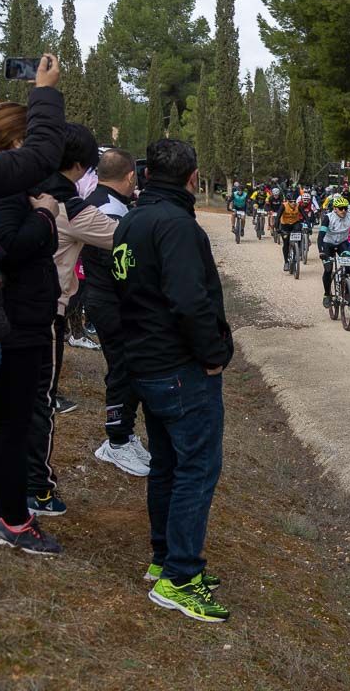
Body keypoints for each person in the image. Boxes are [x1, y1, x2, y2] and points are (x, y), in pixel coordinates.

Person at [112, 139, 232, 623]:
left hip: (145, 363)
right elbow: (189, 300)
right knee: (196, 470)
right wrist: (214, 354)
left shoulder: (132, 219)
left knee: (166, 466)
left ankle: (164, 558)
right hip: (180, 367)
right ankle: (180, 577)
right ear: (193, 178)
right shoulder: (178, 226)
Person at [0, 54, 64, 570]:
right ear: (14, 146)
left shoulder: (3, 184)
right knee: (8, 426)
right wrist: (47, 219)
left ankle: (3, 511)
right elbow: (9, 243)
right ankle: (10, 518)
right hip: (12, 324)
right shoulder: (4, 190)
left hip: (8, 319)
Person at [28, 123, 106, 516]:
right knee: (42, 400)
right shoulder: (69, 206)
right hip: (47, 310)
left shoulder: (25, 185)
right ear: (80, 166)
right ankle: (37, 489)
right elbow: (121, 235)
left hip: (10, 306)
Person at [82, 149, 147, 476]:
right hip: (110, 302)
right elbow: (120, 262)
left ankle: (124, 434)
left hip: (104, 299)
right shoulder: (108, 209)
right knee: (123, 367)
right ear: (130, 176)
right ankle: (117, 440)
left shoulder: (101, 201)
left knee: (126, 365)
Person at [318, 195, 350, 308]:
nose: (344, 211)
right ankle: (327, 294)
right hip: (328, 244)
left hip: (342, 243)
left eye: (345, 208)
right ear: (335, 208)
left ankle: (347, 292)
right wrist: (321, 251)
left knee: (349, 266)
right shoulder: (328, 217)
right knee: (328, 269)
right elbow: (320, 236)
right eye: (340, 208)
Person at [277, 192, 304, 271]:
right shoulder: (283, 206)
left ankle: (298, 249)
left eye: (294, 201)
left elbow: (304, 215)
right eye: (291, 201)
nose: (293, 203)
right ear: (288, 201)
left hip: (295, 224)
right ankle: (286, 262)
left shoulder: (298, 206)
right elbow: (278, 217)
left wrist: (309, 225)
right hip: (285, 225)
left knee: (299, 231)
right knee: (286, 243)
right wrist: (277, 229)